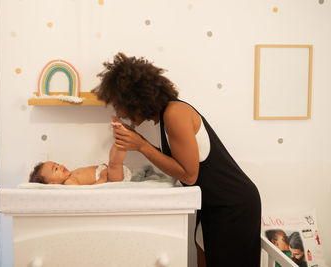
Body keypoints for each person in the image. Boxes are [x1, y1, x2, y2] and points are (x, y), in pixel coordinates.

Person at [92, 52, 262, 267]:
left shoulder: (175, 113)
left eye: (119, 104)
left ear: (135, 99)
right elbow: (181, 163)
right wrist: (140, 141)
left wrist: (142, 146)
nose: (119, 111)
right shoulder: (165, 117)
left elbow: (189, 175)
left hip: (233, 205)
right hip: (211, 205)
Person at [29, 123, 129, 185]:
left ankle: (120, 136)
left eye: (57, 164)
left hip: (108, 173)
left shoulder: (71, 175)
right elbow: (86, 192)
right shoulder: (69, 183)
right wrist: (102, 179)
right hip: (109, 179)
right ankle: (123, 137)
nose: (60, 166)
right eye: (55, 169)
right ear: (52, 183)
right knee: (114, 162)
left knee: (113, 159)